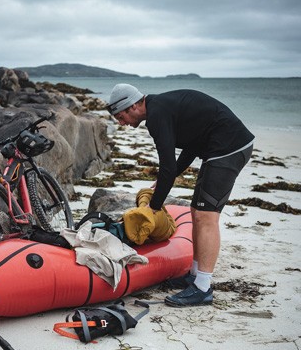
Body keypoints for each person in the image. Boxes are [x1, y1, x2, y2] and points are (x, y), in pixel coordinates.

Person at [106, 83, 254, 308]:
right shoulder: (160, 108)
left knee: (207, 216)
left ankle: (203, 288)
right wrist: (171, 173)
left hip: (229, 147)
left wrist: (153, 208)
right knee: (197, 211)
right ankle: (195, 276)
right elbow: (192, 145)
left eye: (121, 116)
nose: (121, 123)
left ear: (133, 105)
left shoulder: (157, 115)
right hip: (218, 148)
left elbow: (167, 166)